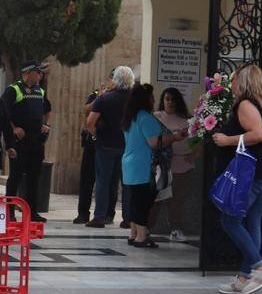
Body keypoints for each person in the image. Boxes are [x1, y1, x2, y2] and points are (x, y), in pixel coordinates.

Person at [212, 64, 262, 294]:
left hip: (252, 175)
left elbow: (257, 135)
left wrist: (227, 139)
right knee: (252, 223)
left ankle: (260, 268)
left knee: (229, 221)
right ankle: (244, 278)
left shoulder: (245, 104)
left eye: (234, 79)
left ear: (242, 82)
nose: (231, 84)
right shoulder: (260, 105)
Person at [121, 83, 187, 247]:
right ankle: (142, 237)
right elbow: (154, 142)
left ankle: (134, 234)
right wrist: (175, 137)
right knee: (144, 202)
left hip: (129, 164)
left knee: (135, 200)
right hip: (143, 165)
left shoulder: (131, 117)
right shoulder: (146, 118)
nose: (153, 100)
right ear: (146, 99)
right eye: (151, 97)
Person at [3, 61, 52, 223]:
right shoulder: (13, 90)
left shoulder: (40, 91)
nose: (40, 75)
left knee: (34, 176)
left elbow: (47, 109)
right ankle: (9, 212)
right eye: (38, 72)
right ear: (28, 72)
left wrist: (46, 124)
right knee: (15, 176)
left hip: (36, 140)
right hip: (19, 141)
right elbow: (4, 112)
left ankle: (32, 212)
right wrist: (14, 128)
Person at [85, 66, 133, 228]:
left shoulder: (105, 98)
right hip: (128, 146)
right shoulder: (135, 100)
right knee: (127, 183)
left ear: (116, 79)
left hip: (105, 144)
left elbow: (90, 122)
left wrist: (95, 135)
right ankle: (127, 219)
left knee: (103, 181)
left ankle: (99, 217)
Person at [153, 87, 199, 241]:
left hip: (183, 165)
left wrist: (194, 155)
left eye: (173, 99)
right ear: (163, 100)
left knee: (177, 200)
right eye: (167, 99)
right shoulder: (156, 117)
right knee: (156, 199)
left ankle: (176, 228)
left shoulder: (188, 119)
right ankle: (146, 228)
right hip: (162, 166)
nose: (170, 102)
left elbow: (200, 141)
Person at [75, 75, 116, 224]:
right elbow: (86, 110)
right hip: (92, 142)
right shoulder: (98, 94)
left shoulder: (118, 97)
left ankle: (108, 213)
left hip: (108, 143)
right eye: (110, 78)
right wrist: (100, 97)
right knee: (87, 178)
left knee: (110, 180)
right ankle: (83, 213)